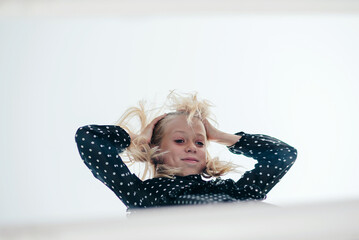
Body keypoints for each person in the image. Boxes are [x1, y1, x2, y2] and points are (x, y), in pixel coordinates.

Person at [75, 92, 297, 210]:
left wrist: (220, 136)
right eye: (180, 140)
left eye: (200, 143)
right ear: (155, 148)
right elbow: (88, 138)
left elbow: (283, 154)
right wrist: (138, 138)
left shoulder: (239, 191)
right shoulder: (144, 195)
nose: (192, 146)